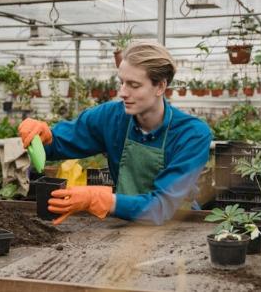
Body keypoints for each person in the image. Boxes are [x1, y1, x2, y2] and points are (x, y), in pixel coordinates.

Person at [18, 42, 212, 225]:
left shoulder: (191, 134)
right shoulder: (111, 117)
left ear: (160, 86)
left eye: (134, 85)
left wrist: (99, 199)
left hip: (180, 228)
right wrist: (40, 136)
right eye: (122, 82)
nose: (123, 92)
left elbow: (162, 206)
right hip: (126, 223)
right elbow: (58, 144)